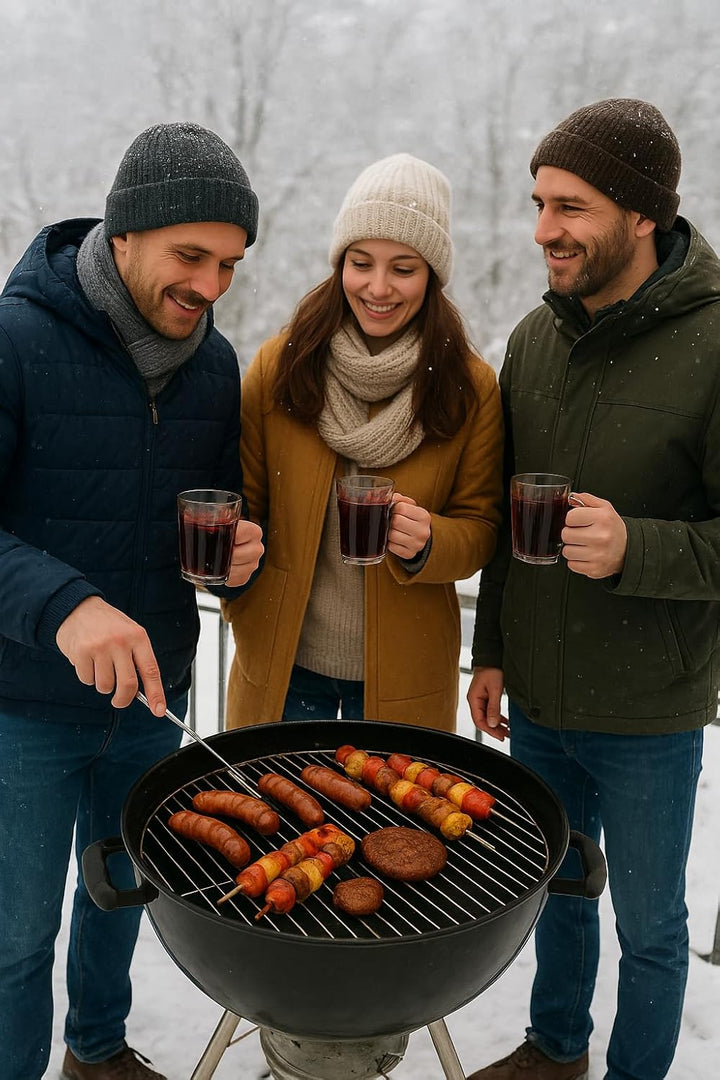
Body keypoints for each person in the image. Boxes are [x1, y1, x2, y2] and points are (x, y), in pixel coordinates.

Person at [0, 123, 264, 1080]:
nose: (209, 286)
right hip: (23, 703)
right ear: (121, 236)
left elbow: (213, 514)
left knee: (120, 894)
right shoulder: (15, 338)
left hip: (151, 700)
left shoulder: (216, 364)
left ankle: (97, 1051)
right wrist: (67, 604)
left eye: (229, 264)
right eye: (190, 256)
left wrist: (239, 558)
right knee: (16, 937)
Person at [466, 98, 720, 1080]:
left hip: (649, 709)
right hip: (538, 697)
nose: (542, 231)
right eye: (538, 203)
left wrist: (637, 549)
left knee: (650, 926)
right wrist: (490, 649)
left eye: (569, 206)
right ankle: (554, 1050)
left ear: (642, 212)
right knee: (557, 891)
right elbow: (499, 518)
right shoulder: (532, 341)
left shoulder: (712, 344)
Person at [223, 153, 503, 730]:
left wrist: (432, 540)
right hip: (284, 666)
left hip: (404, 671)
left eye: (403, 268)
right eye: (361, 263)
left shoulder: (469, 386)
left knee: (396, 822)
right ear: (339, 264)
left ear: (432, 275)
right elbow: (242, 502)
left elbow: (481, 528)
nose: (378, 287)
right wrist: (234, 585)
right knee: (277, 818)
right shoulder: (283, 365)